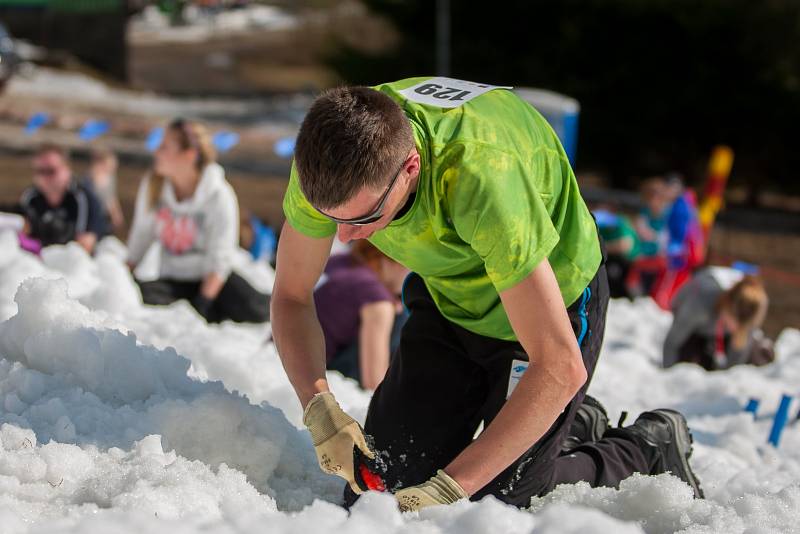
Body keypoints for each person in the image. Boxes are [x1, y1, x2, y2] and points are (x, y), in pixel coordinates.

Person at [271, 78, 704, 512]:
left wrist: (449, 489)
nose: (343, 237)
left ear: (411, 167)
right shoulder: (329, 158)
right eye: (330, 218)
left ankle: (645, 448)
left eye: (365, 217)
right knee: (378, 487)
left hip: (549, 303)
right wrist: (319, 410)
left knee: (495, 505)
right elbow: (291, 295)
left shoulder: (480, 178)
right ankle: (566, 427)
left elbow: (557, 365)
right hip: (450, 297)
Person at [126, 118, 269, 324]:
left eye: (164, 146)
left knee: (255, 311)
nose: (156, 151)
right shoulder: (153, 186)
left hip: (213, 282)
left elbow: (220, 257)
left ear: (189, 155)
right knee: (140, 295)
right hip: (173, 281)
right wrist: (122, 277)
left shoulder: (219, 194)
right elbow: (141, 237)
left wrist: (203, 302)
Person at [314, 240, 409, 390]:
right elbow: (374, 382)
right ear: (391, 260)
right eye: (410, 266)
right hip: (322, 379)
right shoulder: (376, 297)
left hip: (283, 358)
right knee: (402, 318)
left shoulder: (340, 262)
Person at [663, 268, 772, 370]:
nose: (736, 329)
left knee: (757, 358)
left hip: (718, 329)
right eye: (736, 324)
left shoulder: (748, 316)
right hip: (694, 330)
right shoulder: (700, 303)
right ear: (728, 306)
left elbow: (735, 366)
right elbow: (672, 343)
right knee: (687, 366)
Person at [19, 143, 107, 254]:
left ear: (67, 170)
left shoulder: (83, 198)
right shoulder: (30, 198)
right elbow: (22, 234)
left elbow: (85, 245)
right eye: (40, 171)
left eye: (51, 171)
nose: (44, 178)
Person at [82, 148, 125, 234]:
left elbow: (111, 198)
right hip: (91, 218)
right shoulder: (88, 181)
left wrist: (116, 214)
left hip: (103, 218)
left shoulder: (110, 178)